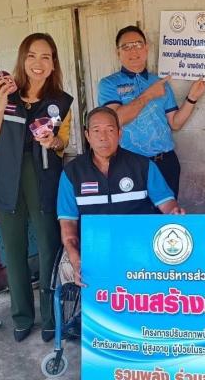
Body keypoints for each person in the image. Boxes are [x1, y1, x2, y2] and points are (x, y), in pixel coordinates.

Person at [0, 33, 72, 342]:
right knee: (14, 251)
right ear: (22, 59)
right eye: (32, 55)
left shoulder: (61, 102)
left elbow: (63, 144)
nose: (38, 63)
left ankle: (51, 318)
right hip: (6, 179)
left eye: (46, 57)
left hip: (44, 179)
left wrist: (54, 141)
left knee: (49, 247)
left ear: (53, 64)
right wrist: (0, 104)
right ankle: (22, 317)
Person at [57, 107, 184, 287]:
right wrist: (75, 258)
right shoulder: (72, 173)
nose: (103, 137)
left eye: (110, 130)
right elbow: (68, 225)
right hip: (94, 249)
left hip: (138, 247)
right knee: (70, 271)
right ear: (87, 135)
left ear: (120, 133)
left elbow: (168, 205)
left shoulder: (143, 166)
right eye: (96, 131)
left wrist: (175, 213)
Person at [97, 25, 205, 198]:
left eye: (138, 44)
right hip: (129, 164)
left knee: (166, 213)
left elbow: (175, 123)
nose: (133, 51)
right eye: (126, 47)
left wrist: (192, 97)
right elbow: (115, 119)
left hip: (165, 162)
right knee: (135, 214)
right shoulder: (109, 84)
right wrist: (149, 94)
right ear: (118, 52)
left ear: (146, 48)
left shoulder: (160, 82)